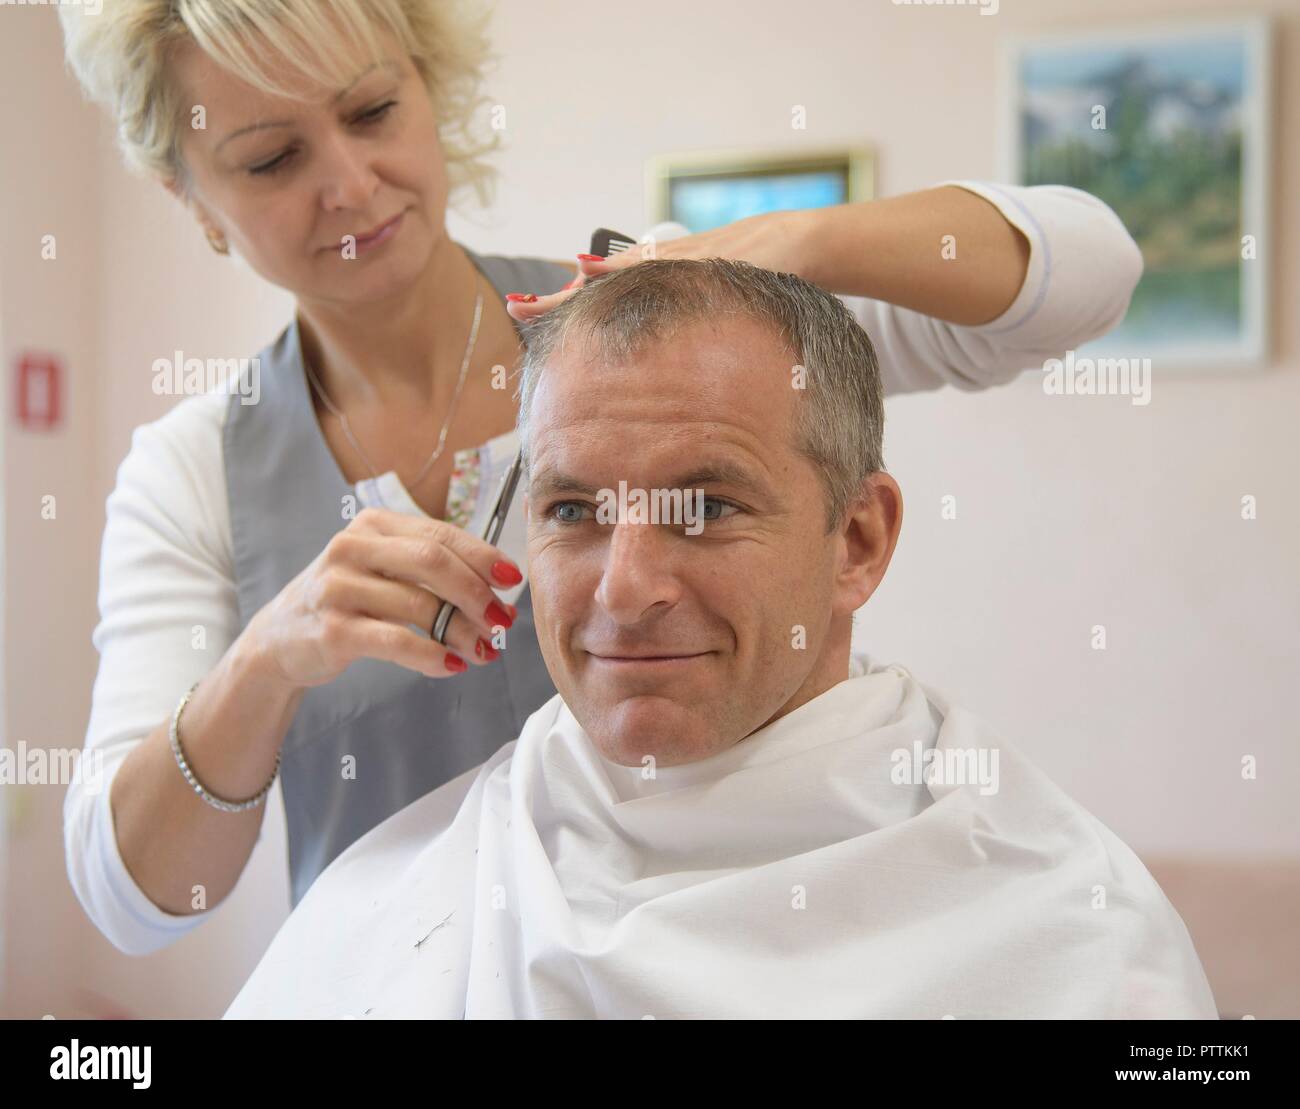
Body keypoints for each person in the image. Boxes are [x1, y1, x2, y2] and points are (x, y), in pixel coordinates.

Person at [59, 0, 1145, 958]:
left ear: (432, 93)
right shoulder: (195, 472)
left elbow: (1087, 268)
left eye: (372, 111)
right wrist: (270, 657)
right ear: (191, 195)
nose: (348, 183)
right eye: (270, 159)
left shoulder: (654, 341)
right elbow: (143, 900)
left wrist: (783, 245)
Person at [224, 258, 1215, 1019]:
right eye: (573, 509)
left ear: (857, 540)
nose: (624, 588)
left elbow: (1081, 264)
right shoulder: (415, 885)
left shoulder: (1064, 924)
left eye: (703, 505)